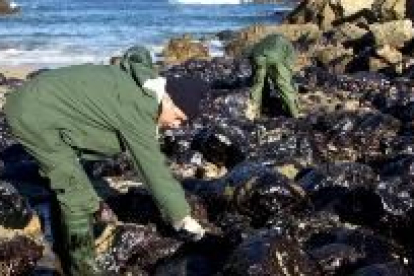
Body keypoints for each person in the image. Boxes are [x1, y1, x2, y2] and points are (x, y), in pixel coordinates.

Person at [4, 46, 207, 275]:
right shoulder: (140, 107)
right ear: (169, 101)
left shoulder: (145, 84)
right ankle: (82, 268)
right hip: (32, 113)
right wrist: (182, 217)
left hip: (44, 101)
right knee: (76, 193)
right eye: (179, 117)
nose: (178, 124)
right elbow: (153, 170)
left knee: (68, 180)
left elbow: (136, 55)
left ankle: (63, 253)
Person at [245, 34, 300, 120]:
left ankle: (254, 113)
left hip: (257, 56)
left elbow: (252, 61)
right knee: (283, 85)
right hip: (275, 57)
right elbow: (288, 70)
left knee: (258, 85)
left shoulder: (266, 42)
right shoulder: (289, 49)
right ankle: (295, 114)